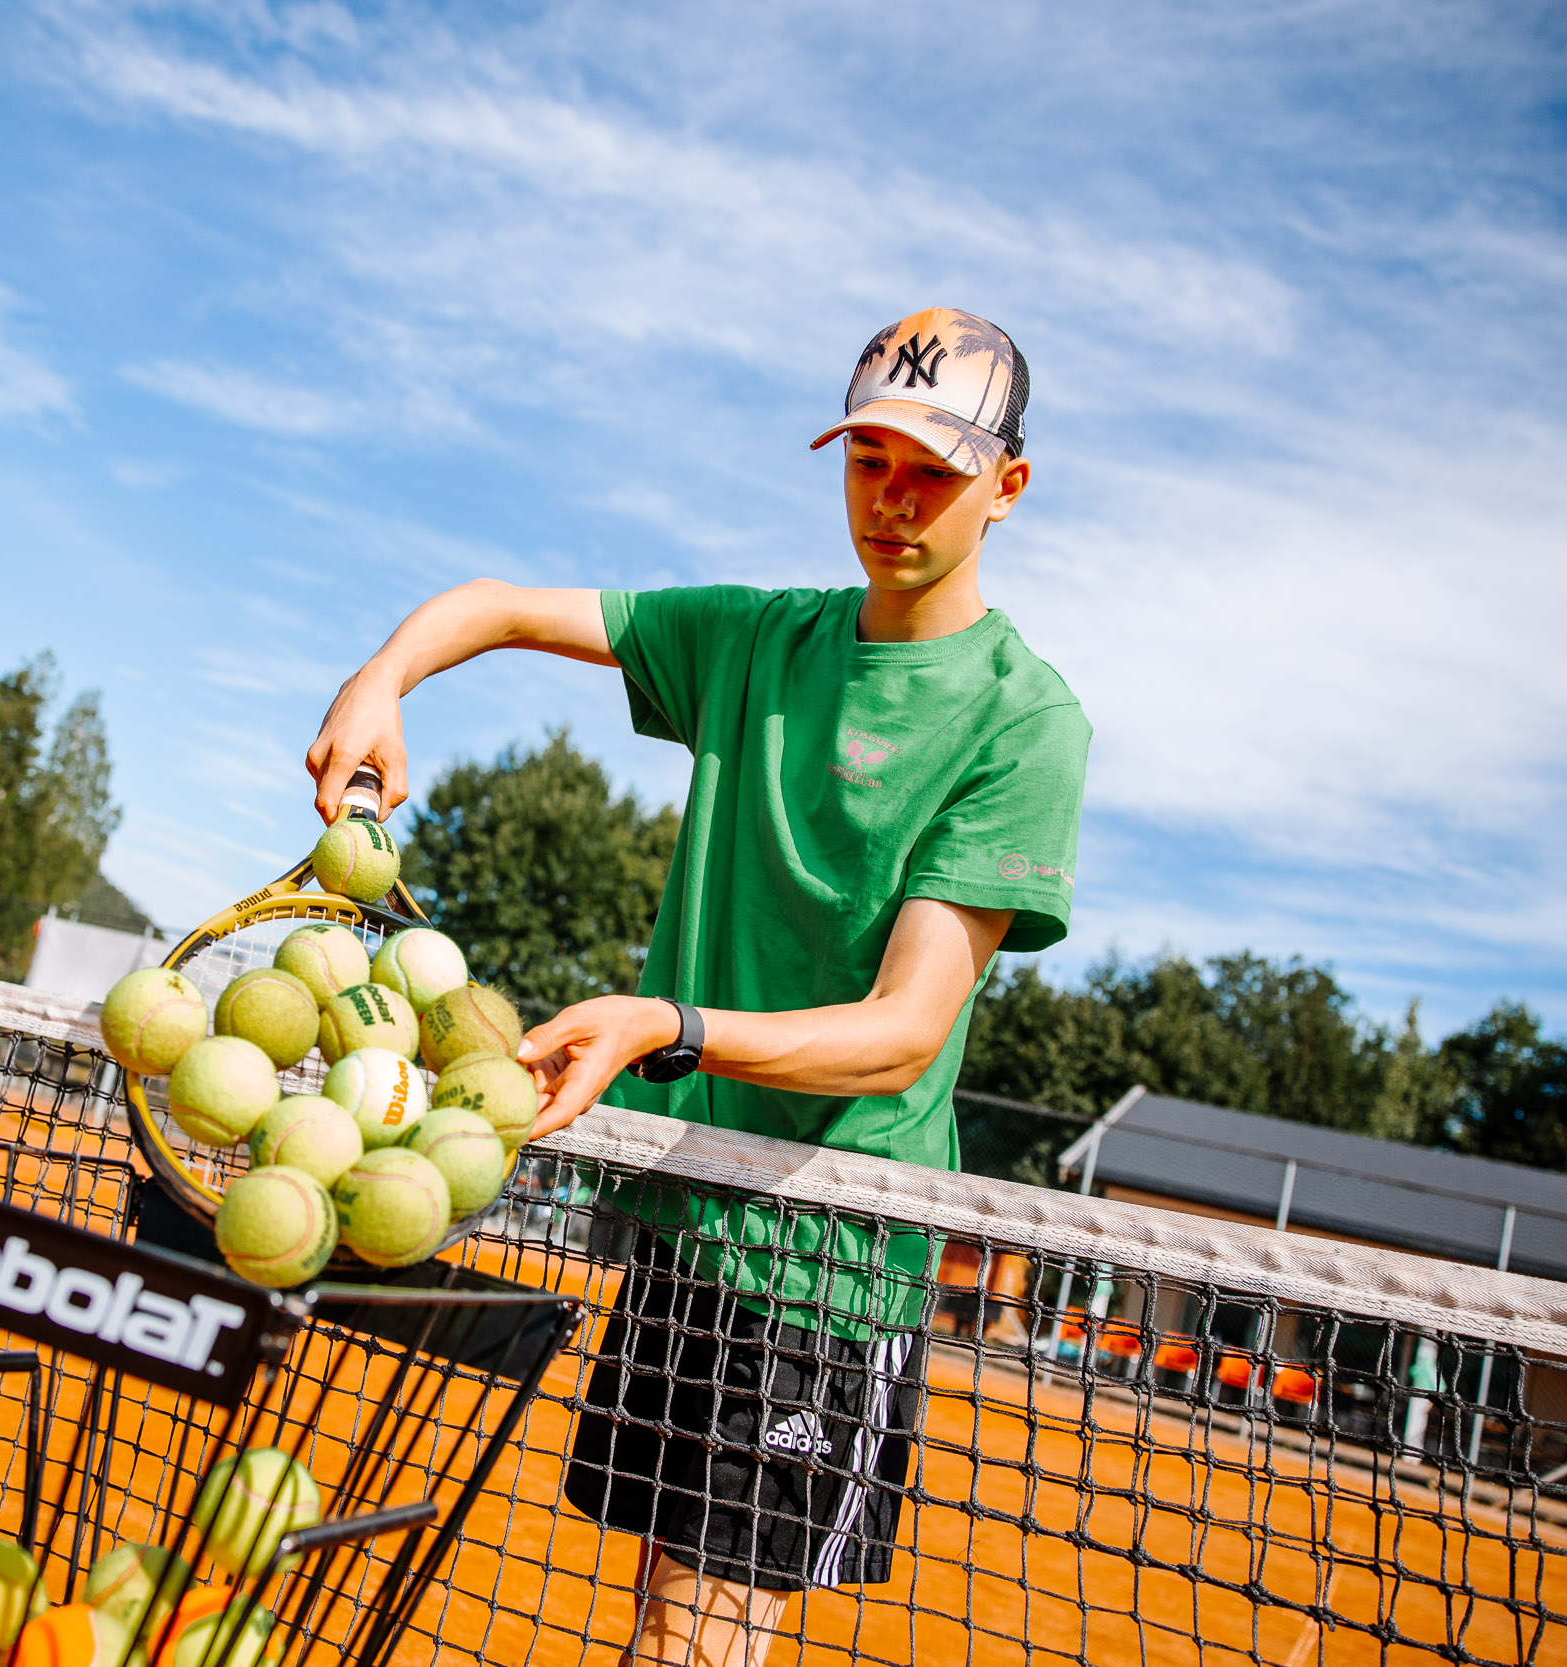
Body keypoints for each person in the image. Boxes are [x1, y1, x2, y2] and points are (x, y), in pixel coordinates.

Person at [305, 310, 1090, 1667]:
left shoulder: (1026, 720)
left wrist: (665, 1024)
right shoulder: (753, 640)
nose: (894, 499)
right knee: (666, 1610)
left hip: (828, 1258)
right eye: (870, 462)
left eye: (934, 471)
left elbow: (903, 1034)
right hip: (689, 1219)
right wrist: (382, 679)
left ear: (1007, 487)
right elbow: (495, 606)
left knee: (697, 1631)